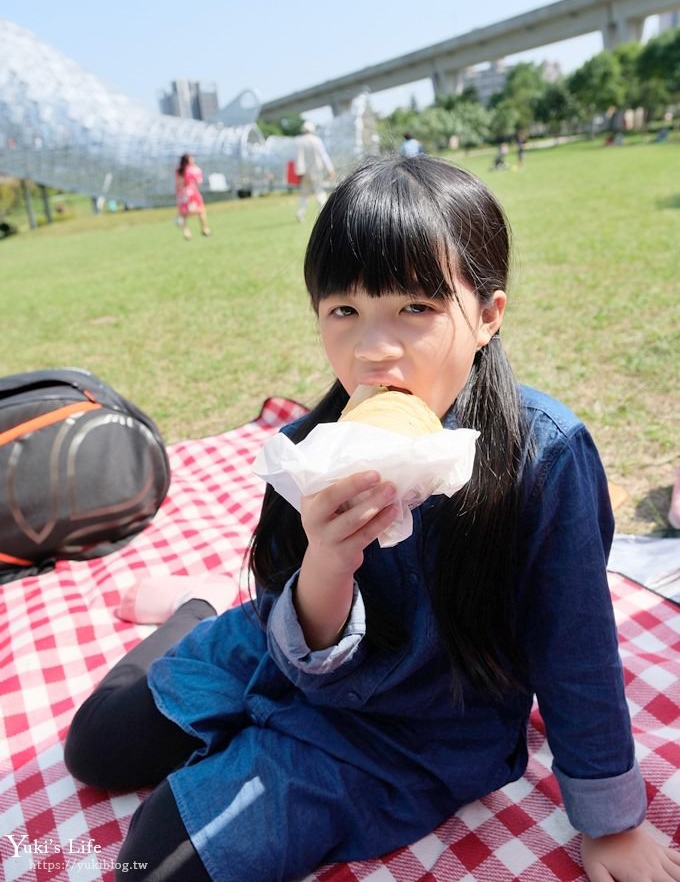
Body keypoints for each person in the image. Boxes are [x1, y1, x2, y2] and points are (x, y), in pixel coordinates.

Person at [64, 156, 680, 882]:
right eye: (344, 311)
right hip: (282, 640)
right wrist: (329, 558)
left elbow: (575, 644)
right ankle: (197, 612)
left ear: (487, 315)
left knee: (151, 863)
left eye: (414, 308)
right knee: (95, 747)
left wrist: (611, 822)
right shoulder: (306, 450)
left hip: (409, 734)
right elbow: (291, 615)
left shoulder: (543, 461)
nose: (373, 349)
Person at [295, 120, 335, 222]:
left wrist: (299, 172)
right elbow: (323, 155)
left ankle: (300, 213)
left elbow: (299, 158)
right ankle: (324, 212)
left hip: (304, 172)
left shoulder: (300, 141)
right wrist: (330, 168)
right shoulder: (316, 140)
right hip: (316, 170)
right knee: (319, 191)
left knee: (304, 194)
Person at [175, 154, 211, 240]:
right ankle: (205, 229)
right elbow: (199, 181)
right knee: (201, 211)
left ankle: (186, 233)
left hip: (182, 195)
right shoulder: (194, 169)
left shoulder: (178, 170)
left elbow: (177, 184)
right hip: (192, 194)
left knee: (183, 215)